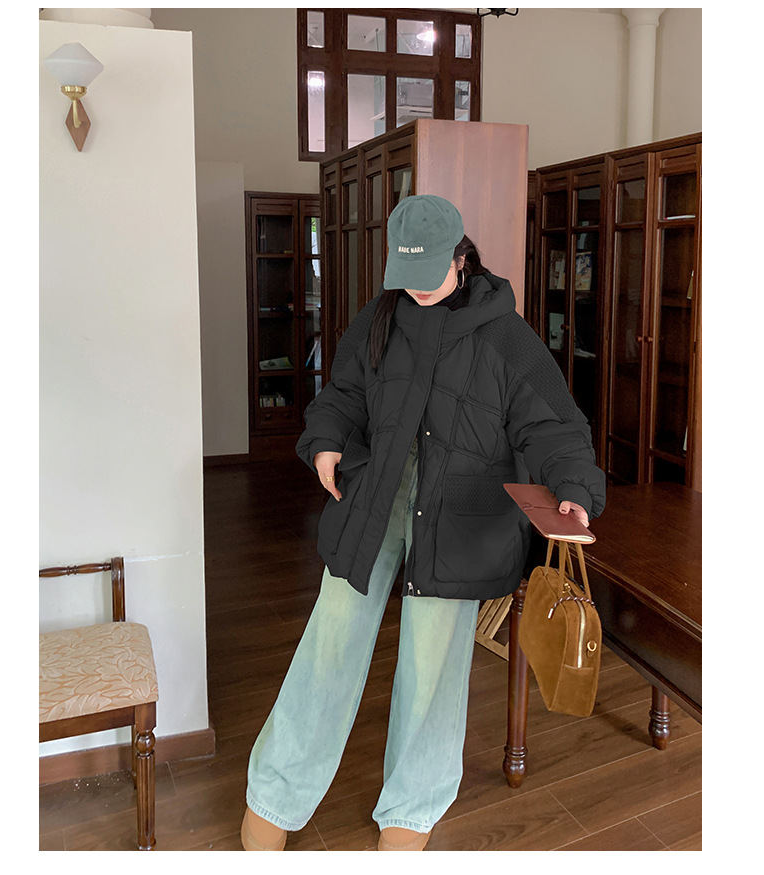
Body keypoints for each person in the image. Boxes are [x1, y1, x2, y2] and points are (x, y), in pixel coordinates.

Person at [241, 194, 606, 852]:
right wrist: (325, 442)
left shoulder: (506, 336)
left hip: (460, 511)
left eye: (429, 271)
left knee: (433, 660)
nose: (415, 287)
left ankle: (411, 809)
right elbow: (344, 393)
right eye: (405, 273)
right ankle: (277, 789)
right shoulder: (382, 315)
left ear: (461, 258)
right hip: (377, 491)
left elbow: (554, 423)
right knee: (331, 637)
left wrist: (575, 487)